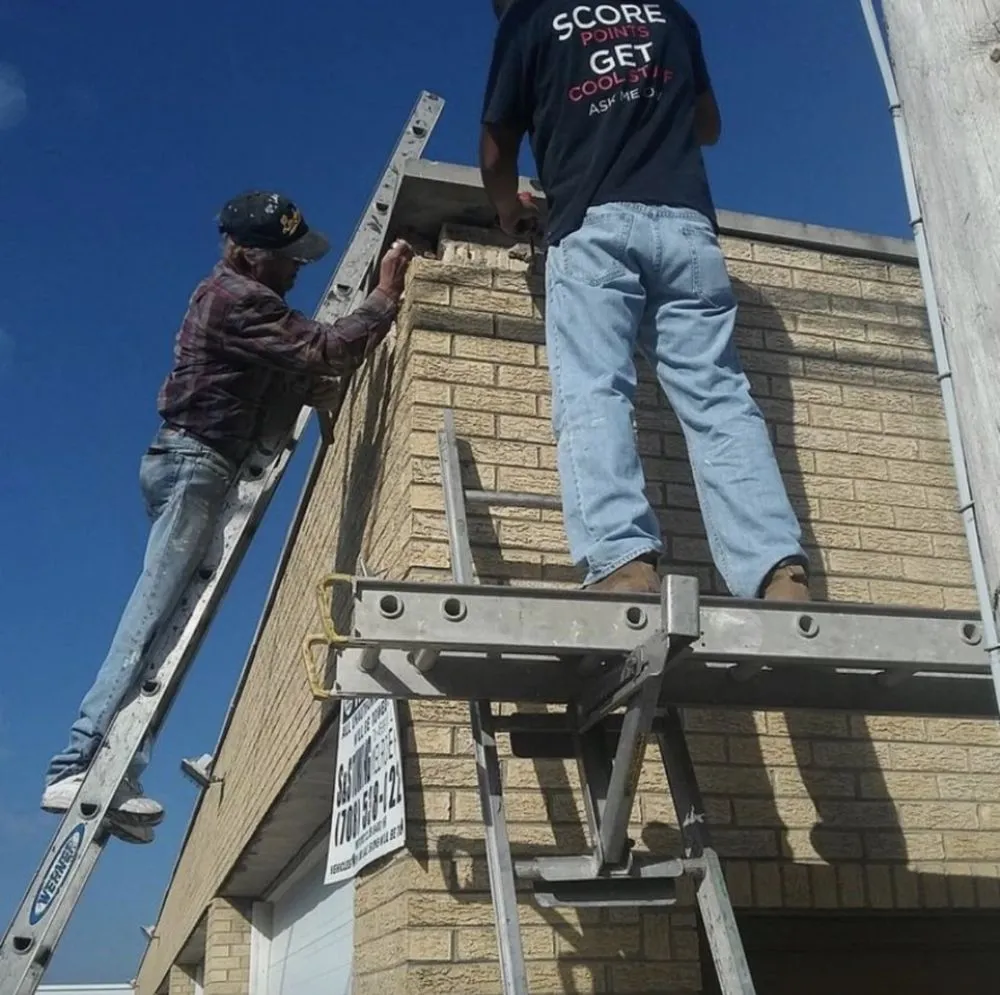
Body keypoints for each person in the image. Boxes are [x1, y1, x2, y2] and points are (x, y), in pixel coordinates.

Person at [41, 190, 413, 842]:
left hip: (197, 464)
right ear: (249, 255)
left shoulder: (244, 302)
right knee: (154, 610)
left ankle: (117, 770)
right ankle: (76, 761)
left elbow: (299, 367)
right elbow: (324, 349)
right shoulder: (237, 299)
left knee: (171, 625)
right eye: (288, 257)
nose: (297, 269)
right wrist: (384, 295)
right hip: (195, 464)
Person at [480, 0, 811, 600]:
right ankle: (776, 572)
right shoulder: (669, 12)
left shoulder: (529, 20)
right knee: (718, 398)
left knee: (594, 388)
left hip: (593, 225)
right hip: (686, 227)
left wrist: (507, 207)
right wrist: (643, 102)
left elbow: (496, 147)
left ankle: (622, 564)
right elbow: (708, 125)